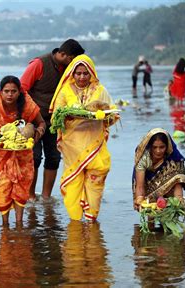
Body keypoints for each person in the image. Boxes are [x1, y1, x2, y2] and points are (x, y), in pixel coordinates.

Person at [49, 55, 119, 221]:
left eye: (85, 73)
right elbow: (55, 119)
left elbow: (113, 114)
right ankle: (76, 227)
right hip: (72, 148)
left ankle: (91, 222)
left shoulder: (100, 90)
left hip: (95, 146)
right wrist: (69, 117)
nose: (81, 77)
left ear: (92, 74)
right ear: (72, 74)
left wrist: (103, 116)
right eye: (78, 73)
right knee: (73, 187)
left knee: (95, 183)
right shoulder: (65, 91)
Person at [20, 38, 85, 201]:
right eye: (71, 59)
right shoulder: (39, 64)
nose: (73, 64)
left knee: (54, 157)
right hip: (33, 120)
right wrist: (30, 115)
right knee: (34, 158)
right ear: (62, 54)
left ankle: (47, 197)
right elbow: (22, 89)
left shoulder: (69, 69)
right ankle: (30, 196)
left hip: (55, 120)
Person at [0, 75, 46, 226]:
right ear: (1, 92)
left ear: (19, 92)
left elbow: (41, 122)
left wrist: (38, 132)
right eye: (6, 91)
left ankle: (20, 223)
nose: (10, 95)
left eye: (13, 91)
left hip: (23, 152)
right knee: (4, 186)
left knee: (22, 185)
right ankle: (5, 224)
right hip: (1, 152)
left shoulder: (27, 104)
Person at [132, 128, 185, 211]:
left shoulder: (174, 158)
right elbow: (140, 186)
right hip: (148, 184)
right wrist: (140, 199)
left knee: (169, 213)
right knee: (150, 213)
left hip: (169, 190)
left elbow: (178, 181)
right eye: (154, 147)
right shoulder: (143, 159)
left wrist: (178, 201)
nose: (158, 151)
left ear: (167, 146)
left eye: (162, 147)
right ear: (149, 147)